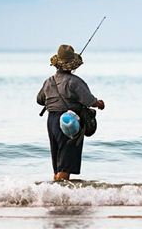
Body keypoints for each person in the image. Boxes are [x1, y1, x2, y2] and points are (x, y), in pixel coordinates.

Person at [36, 44, 105, 181]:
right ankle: (63, 198)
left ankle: (55, 197)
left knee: (58, 165)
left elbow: (39, 100)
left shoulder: (48, 82)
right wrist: (99, 103)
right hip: (69, 121)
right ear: (72, 65)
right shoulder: (75, 82)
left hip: (52, 122)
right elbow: (89, 101)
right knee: (65, 165)